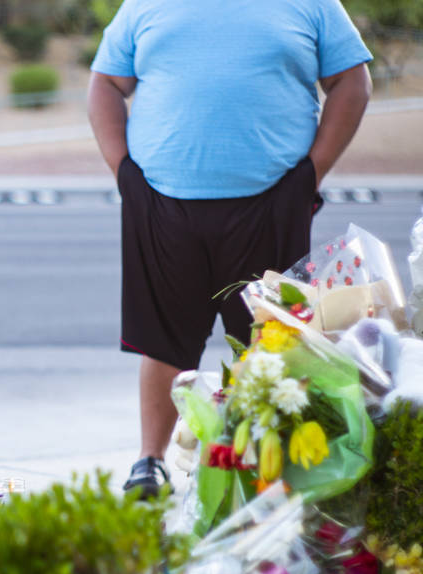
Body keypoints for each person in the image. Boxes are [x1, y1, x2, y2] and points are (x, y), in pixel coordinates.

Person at [88, 0, 372, 498]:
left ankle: (272, 466)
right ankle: (150, 462)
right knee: (164, 340)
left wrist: (311, 173)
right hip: (160, 202)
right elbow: (106, 84)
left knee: (274, 343)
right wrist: (123, 173)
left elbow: (353, 81)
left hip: (272, 202)